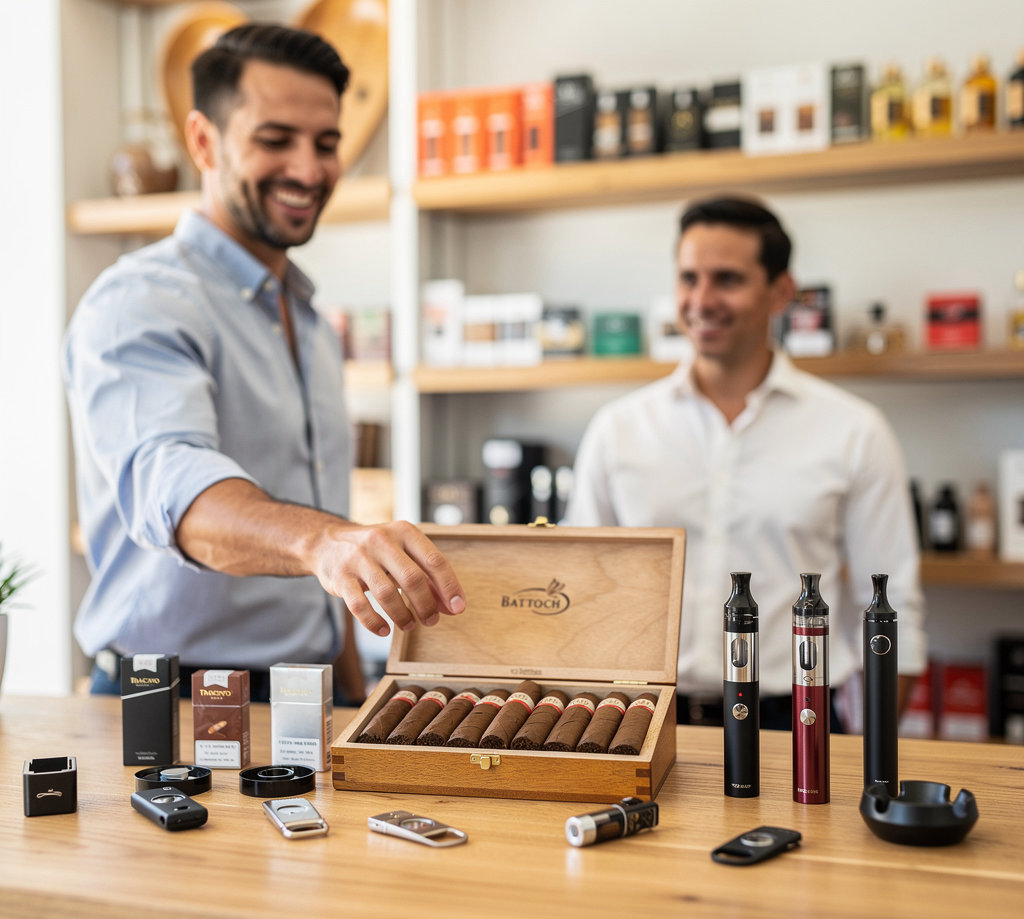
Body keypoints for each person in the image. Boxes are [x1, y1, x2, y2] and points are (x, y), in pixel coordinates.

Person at [63, 23, 465, 701]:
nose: (308, 170)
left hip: (311, 690)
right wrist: (326, 542)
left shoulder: (309, 322)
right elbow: (178, 493)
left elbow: (325, 553)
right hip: (172, 699)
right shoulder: (142, 301)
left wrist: (352, 694)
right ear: (202, 141)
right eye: (275, 140)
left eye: (326, 144)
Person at [565, 195, 926, 729]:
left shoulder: (854, 431)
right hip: (644, 720)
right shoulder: (618, 429)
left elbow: (894, 608)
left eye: (727, 279)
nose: (701, 300)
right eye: (689, 278)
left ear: (781, 291)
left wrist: (870, 754)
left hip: (796, 722)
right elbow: (579, 592)